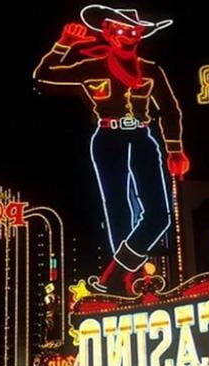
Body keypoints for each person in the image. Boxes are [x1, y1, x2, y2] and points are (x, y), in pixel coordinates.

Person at [33, 5, 190, 296]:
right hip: (107, 138)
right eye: (119, 28)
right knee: (118, 209)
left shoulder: (151, 70)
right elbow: (42, 77)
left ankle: (113, 276)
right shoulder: (92, 67)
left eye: (133, 29)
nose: (126, 34)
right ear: (106, 32)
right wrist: (64, 44)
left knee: (159, 215)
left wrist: (175, 149)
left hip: (142, 138)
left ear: (140, 34)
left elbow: (170, 110)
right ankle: (126, 283)